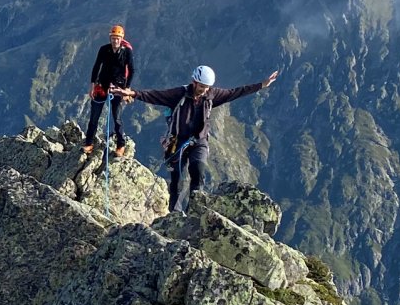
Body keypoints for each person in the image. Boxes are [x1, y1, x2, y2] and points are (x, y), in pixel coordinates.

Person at [113, 64, 279, 213]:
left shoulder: (212, 95)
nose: (204, 90)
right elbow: (155, 95)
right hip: (176, 141)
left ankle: (194, 208)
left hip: (199, 141)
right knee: (176, 178)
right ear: (194, 82)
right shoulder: (179, 94)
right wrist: (132, 93)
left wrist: (262, 85)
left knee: (197, 170)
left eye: (207, 87)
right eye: (202, 86)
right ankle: (175, 212)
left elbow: (236, 92)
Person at [83, 25, 134, 156]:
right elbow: (96, 66)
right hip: (102, 85)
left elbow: (132, 70)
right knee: (94, 116)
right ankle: (89, 143)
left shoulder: (127, 52)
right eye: (113, 38)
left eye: (117, 38)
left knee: (116, 117)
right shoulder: (104, 50)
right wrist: (92, 85)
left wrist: (127, 89)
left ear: (121, 39)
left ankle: (120, 145)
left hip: (118, 87)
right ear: (110, 38)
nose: (115, 40)